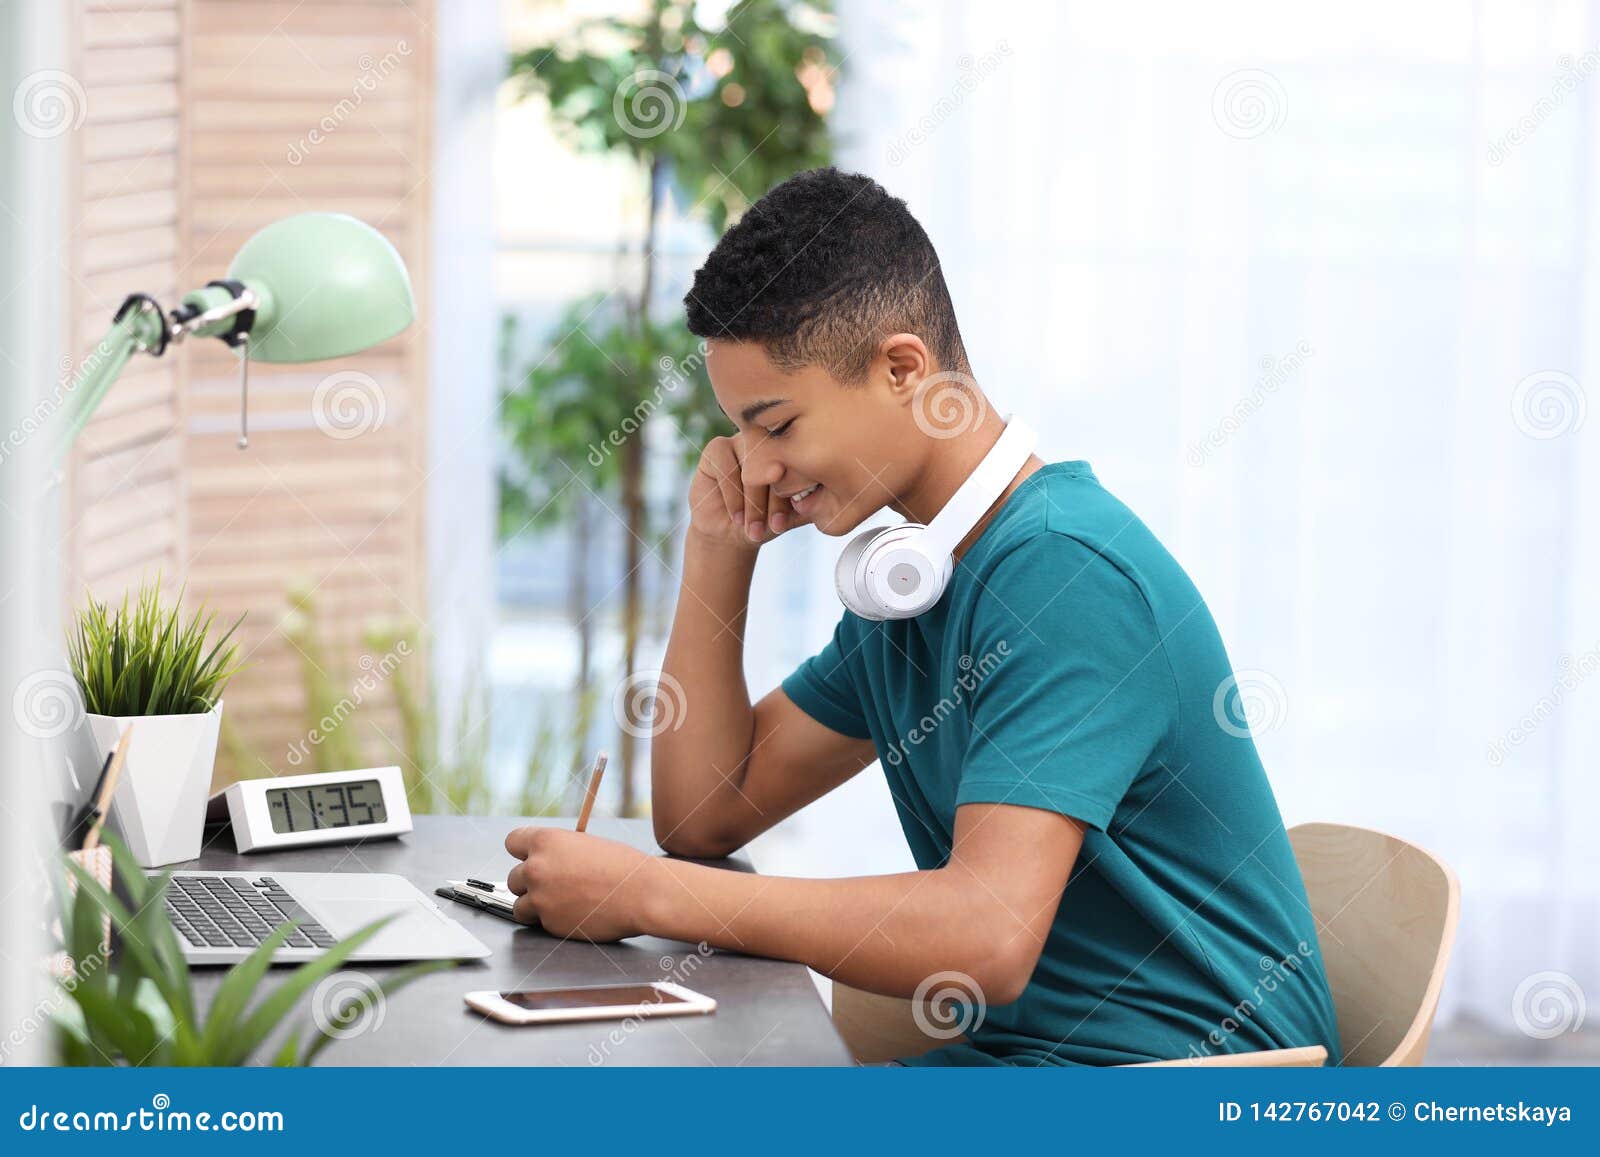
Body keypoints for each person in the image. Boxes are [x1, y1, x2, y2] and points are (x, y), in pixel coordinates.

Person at [503, 167, 1341, 1066]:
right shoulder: (917, 578)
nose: (752, 463)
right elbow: (706, 812)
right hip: (1029, 1063)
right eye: (738, 431)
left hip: (1176, 1079)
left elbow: (986, 934)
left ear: (902, 368)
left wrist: (646, 895)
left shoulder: (1065, 574)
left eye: (776, 425)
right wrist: (718, 550)